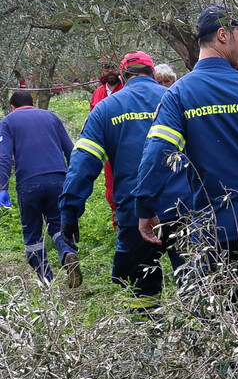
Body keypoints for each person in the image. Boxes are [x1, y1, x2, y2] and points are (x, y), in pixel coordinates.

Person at [132, 5, 238, 303]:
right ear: (223, 35)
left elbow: (159, 151)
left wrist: (145, 206)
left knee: (221, 323)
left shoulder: (179, 93)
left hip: (213, 231)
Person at [59, 51, 190, 310]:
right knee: (194, 283)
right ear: (153, 74)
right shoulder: (178, 99)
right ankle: (203, 339)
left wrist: (69, 211)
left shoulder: (106, 109)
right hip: (183, 208)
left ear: (122, 76)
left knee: (140, 287)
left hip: (133, 213)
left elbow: (83, 162)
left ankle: (148, 338)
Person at [0, 92, 81, 287]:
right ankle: (68, 253)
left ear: (12, 107)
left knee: (33, 234)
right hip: (58, 179)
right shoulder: (51, 116)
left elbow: (3, 157)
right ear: (33, 103)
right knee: (56, 225)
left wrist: (2, 186)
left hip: (29, 182)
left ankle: (47, 282)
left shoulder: (8, 122)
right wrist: (75, 178)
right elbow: (71, 149)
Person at [88, 55, 124, 230]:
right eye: (107, 67)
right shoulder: (98, 93)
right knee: (111, 187)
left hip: (127, 146)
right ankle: (118, 225)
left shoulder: (127, 88)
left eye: (114, 67)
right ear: (102, 70)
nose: (111, 71)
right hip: (107, 150)